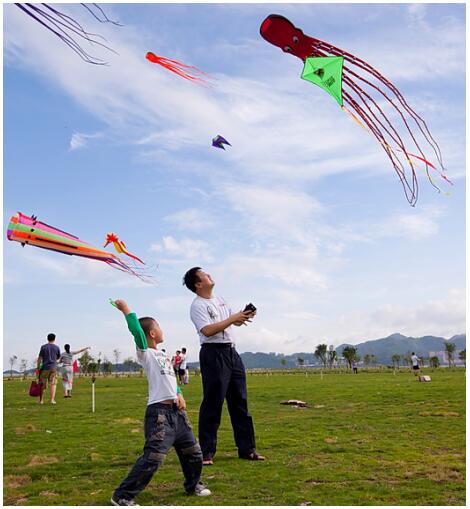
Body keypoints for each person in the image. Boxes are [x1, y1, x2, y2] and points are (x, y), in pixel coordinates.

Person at [110, 299, 211, 506]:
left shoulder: (163, 355)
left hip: (177, 413)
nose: (162, 330)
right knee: (153, 458)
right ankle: (122, 495)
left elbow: (170, 379)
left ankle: (193, 485)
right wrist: (126, 310)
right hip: (159, 415)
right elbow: (137, 331)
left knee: (194, 452)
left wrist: (179, 393)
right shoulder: (145, 353)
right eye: (159, 327)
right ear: (153, 333)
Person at [183, 267, 265, 466]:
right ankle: (206, 452)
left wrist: (243, 315)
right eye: (204, 274)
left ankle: (248, 449)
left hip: (231, 352)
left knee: (240, 402)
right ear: (198, 283)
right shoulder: (197, 305)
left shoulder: (220, 300)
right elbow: (208, 330)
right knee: (213, 403)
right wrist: (231, 319)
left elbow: (232, 324)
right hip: (213, 353)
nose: (209, 274)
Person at [37, 333, 61, 405]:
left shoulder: (43, 347)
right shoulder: (57, 347)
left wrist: (38, 367)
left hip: (45, 368)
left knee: (42, 384)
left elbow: (40, 358)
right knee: (53, 384)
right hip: (53, 367)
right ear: (54, 339)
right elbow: (58, 357)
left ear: (47, 338)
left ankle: (41, 400)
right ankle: (52, 400)